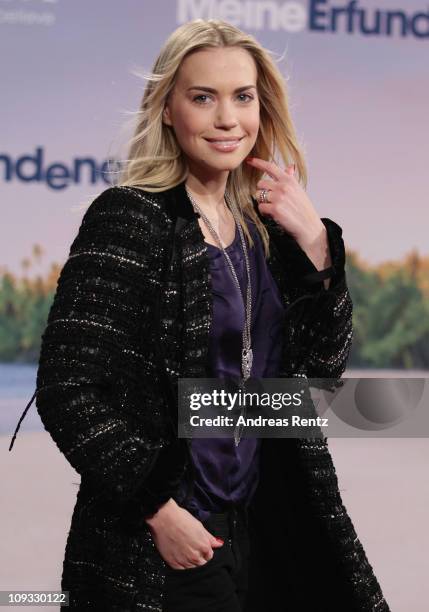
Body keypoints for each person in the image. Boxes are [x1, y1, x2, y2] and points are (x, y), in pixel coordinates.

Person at [9, 18, 390, 612]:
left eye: (243, 97)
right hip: (166, 541)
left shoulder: (264, 230)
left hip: (263, 524)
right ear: (167, 108)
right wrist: (157, 511)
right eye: (202, 97)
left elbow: (320, 373)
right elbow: (68, 389)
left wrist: (315, 242)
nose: (227, 119)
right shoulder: (130, 217)